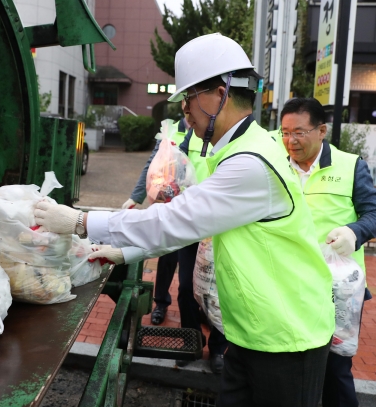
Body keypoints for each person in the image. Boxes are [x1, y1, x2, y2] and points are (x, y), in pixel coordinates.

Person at [34, 33, 334, 407]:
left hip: (287, 337)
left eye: (188, 98)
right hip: (253, 331)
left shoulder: (251, 163)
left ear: (219, 93)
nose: (185, 111)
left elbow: (174, 220)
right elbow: (190, 225)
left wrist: (81, 221)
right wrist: (123, 253)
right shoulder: (236, 150)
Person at [280, 97, 376, 407]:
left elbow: (373, 213)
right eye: (284, 132)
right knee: (288, 365)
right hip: (287, 284)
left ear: (322, 131)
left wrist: (355, 231)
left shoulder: (350, 166)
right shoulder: (275, 165)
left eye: (299, 132)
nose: (291, 141)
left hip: (337, 291)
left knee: (335, 369)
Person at [123, 109, 228, 374]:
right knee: (185, 288)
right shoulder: (188, 136)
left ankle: (218, 349)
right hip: (190, 220)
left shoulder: (232, 136)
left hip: (222, 225)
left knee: (220, 290)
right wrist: (146, 195)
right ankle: (191, 340)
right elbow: (166, 169)